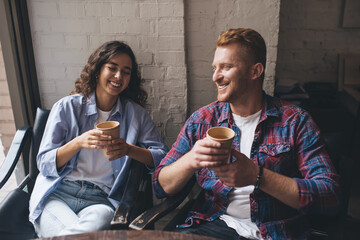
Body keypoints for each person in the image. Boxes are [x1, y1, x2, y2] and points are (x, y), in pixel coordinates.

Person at [153, 28, 341, 239]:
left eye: (226, 67)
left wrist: (257, 176)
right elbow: (160, 186)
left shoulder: (295, 121)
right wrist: (190, 160)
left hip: (277, 231)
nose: (216, 76)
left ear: (255, 71)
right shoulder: (202, 120)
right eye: (215, 68)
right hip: (213, 224)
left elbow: (329, 195)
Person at [29, 41, 168, 237]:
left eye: (126, 71)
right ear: (97, 70)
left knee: (98, 221)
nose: (118, 76)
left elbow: (163, 157)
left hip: (101, 200)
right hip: (58, 194)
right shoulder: (66, 107)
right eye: (112, 68)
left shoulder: (136, 115)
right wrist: (78, 142)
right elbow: (44, 163)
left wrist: (129, 150)